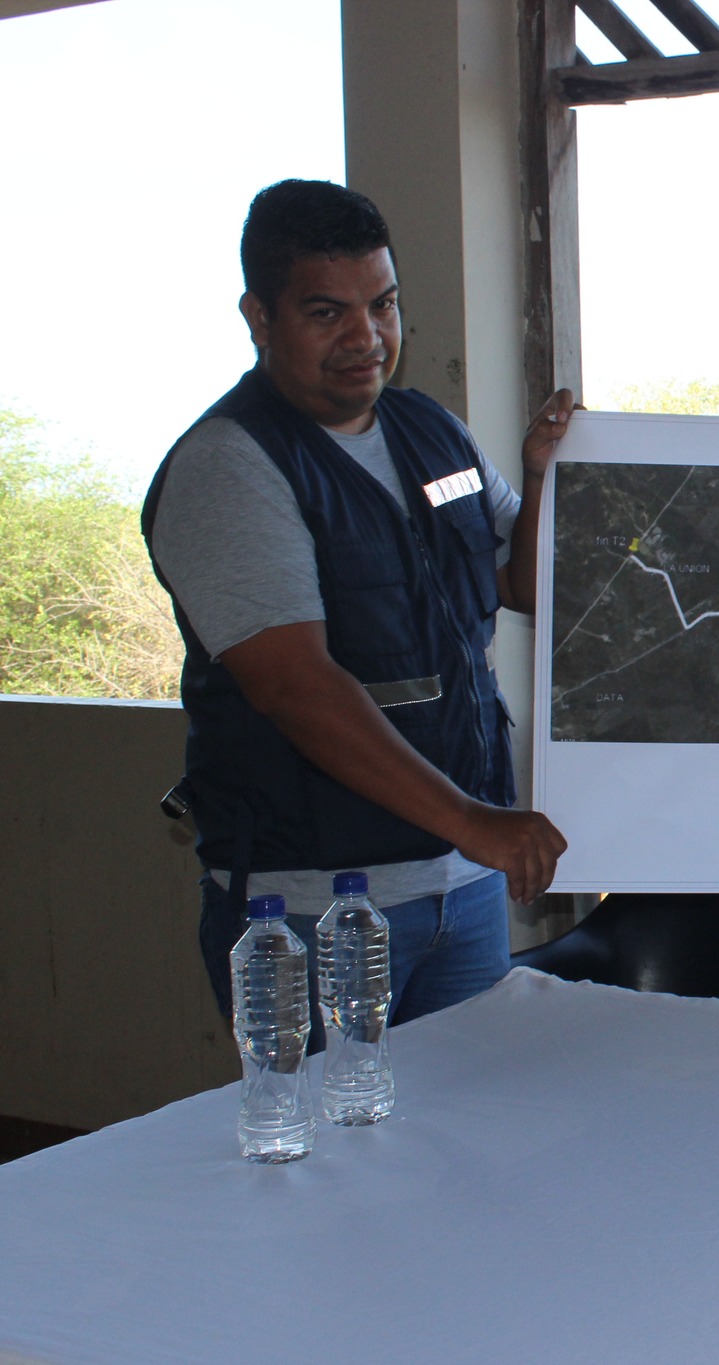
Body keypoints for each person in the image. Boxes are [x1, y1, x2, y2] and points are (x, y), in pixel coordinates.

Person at [143, 179, 572, 1028]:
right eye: (325, 313)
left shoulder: (431, 431)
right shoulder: (230, 466)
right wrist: (475, 820)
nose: (366, 337)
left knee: (477, 1116)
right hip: (313, 910)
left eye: (383, 304)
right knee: (338, 1117)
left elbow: (520, 585)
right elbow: (296, 687)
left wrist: (542, 478)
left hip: (463, 887)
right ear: (259, 317)